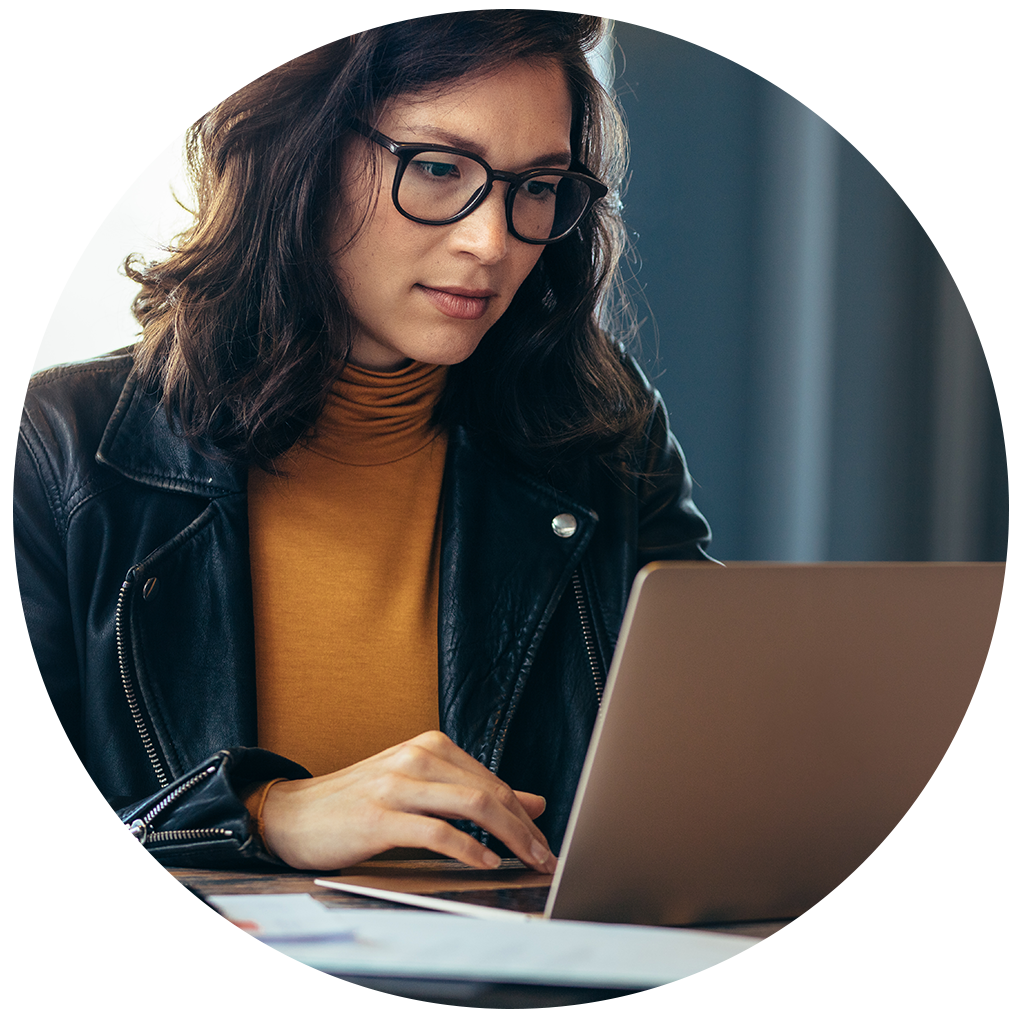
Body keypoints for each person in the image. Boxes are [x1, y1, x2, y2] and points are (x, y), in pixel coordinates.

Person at [14, 10, 711, 873]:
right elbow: (20, 836)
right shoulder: (60, 450)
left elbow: (716, 769)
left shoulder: (602, 433)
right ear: (299, 155)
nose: (489, 241)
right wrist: (265, 816)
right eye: (438, 168)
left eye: (536, 186)